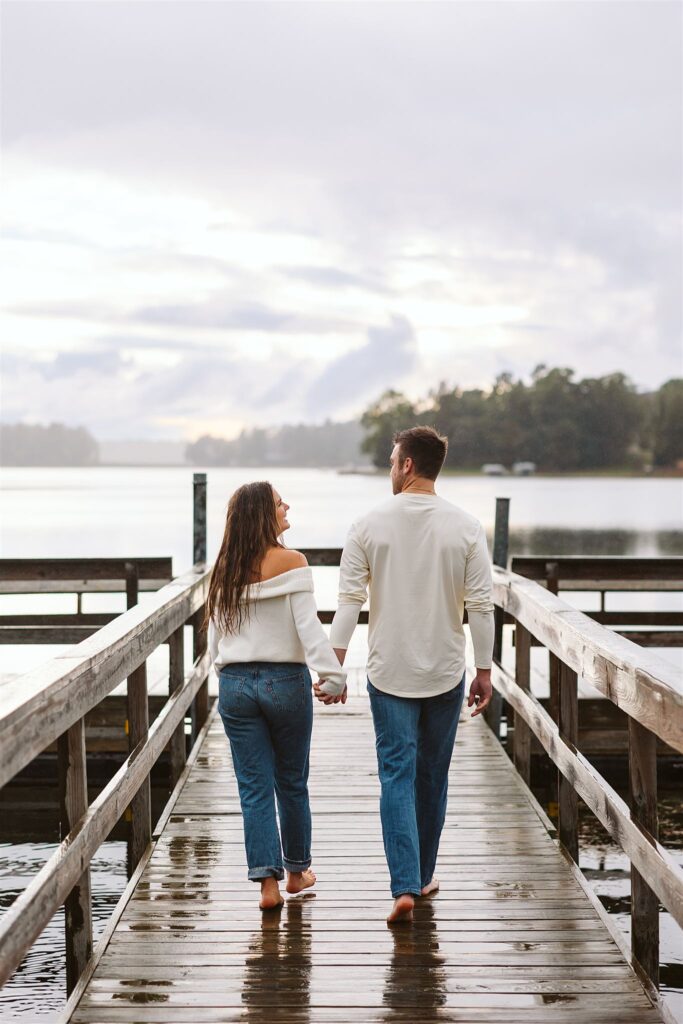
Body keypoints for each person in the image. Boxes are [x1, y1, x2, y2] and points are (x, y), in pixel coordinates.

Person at [316, 426, 494, 923]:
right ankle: (421, 875)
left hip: (389, 671)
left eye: (393, 459)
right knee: (432, 778)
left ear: (408, 465)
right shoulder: (465, 527)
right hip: (444, 670)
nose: (391, 467)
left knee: (396, 774)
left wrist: (333, 667)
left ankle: (403, 887)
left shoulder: (368, 524)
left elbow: (348, 602)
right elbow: (481, 606)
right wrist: (484, 669)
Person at [206, 481, 346, 910]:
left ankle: (267, 887)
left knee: (253, 787)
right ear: (263, 514)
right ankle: (296, 872)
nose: (287, 505)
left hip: (235, 683)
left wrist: (225, 668)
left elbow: (215, 638)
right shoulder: (293, 561)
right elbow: (309, 629)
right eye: (279, 502)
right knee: (291, 781)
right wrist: (333, 676)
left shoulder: (225, 567)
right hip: (285, 682)